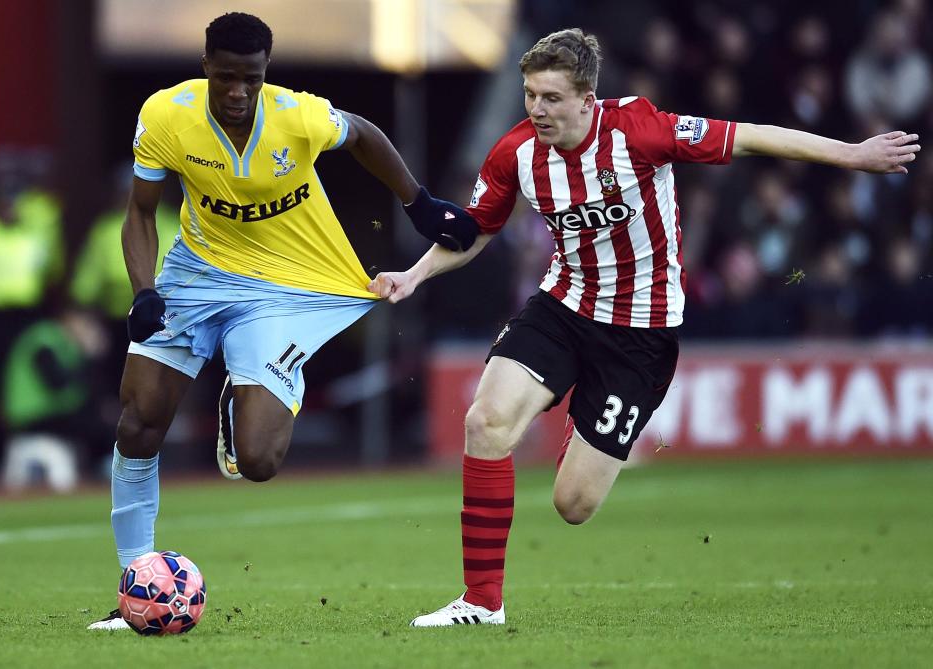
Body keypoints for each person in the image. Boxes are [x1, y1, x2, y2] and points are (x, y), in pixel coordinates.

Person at [367, 28, 921, 626]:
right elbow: (475, 229)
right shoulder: (516, 153)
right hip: (563, 306)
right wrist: (415, 275)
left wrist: (853, 154)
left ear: (587, 98)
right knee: (486, 421)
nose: (536, 110)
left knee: (572, 505)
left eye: (551, 98)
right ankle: (481, 602)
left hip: (641, 332)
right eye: (530, 95)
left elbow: (753, 138)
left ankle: (586, 435)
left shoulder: (640, 129)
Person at [88, 12, 477, 630]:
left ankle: (236, 402)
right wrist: (143, 291)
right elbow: (139, 213)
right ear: (206, 68)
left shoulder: (298, 115)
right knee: (137, 423)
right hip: (195, 277)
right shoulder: (165, 116)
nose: (239, 93)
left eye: (252, 79)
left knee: (261, 460)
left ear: (265, 73)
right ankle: (135, 585)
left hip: (284, 285)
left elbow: (365, 135)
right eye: (226, 79)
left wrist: (419, 203)